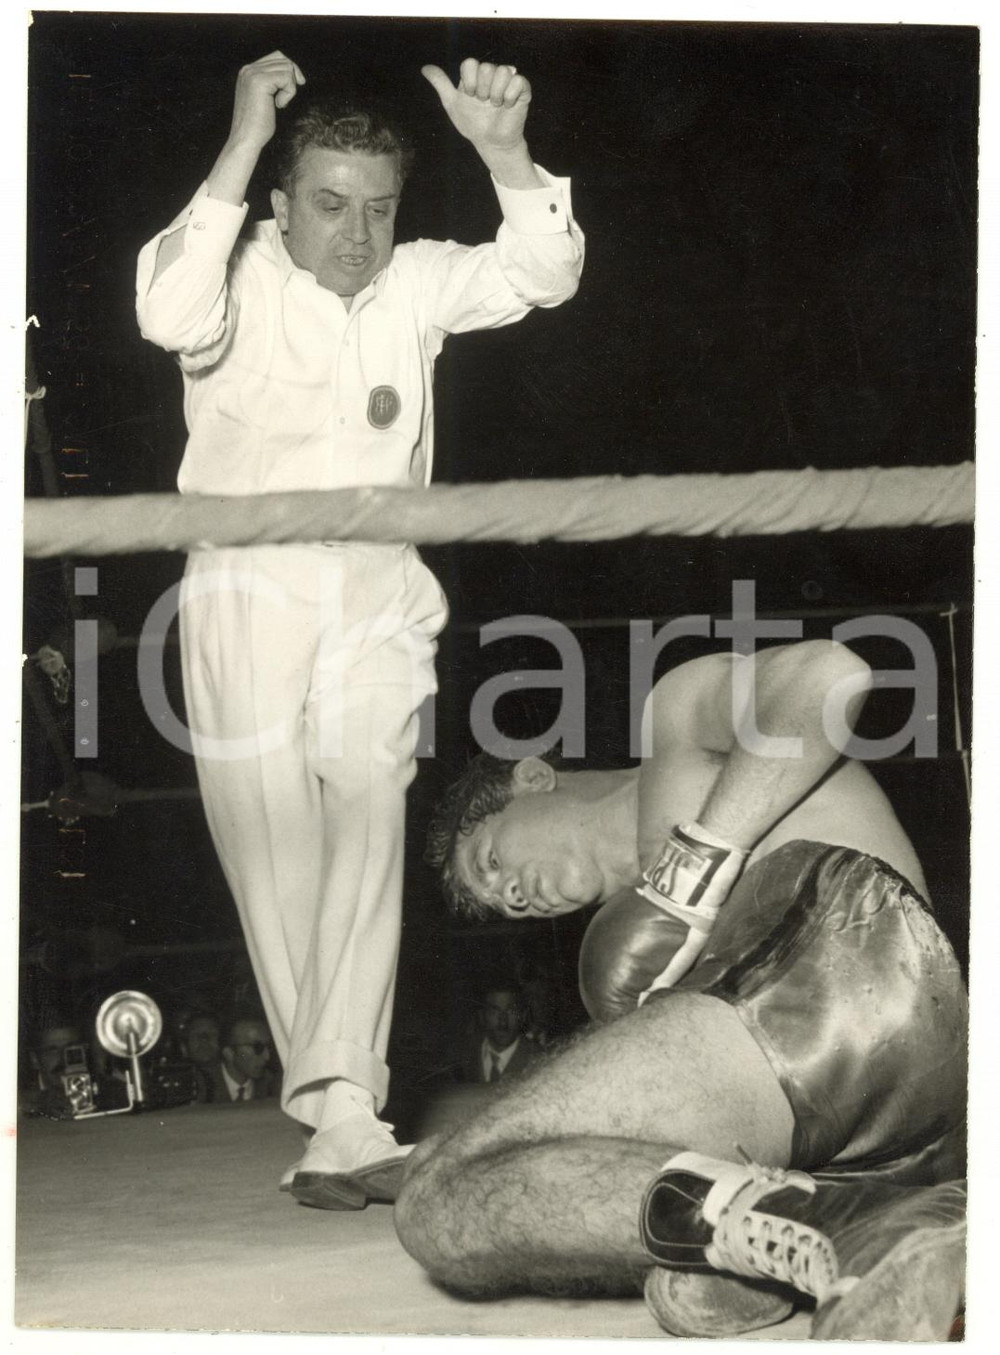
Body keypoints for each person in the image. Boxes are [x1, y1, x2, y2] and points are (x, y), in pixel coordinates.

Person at [135, 50, 583, 1208]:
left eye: (377, 208)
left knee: (372, 807)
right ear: (282, 204)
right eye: (330, 205)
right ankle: (340, 1119)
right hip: (244, 590)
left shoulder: (416, 281)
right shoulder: (228, 272)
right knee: (276, 852)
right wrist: (243, 139)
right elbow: (163, 310)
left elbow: (543, 271)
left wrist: (503, 153)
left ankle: (344, 1107)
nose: (356, 234)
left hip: (379, 591)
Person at [396, 639, 968, 1339]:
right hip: (878, 1128)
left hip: (858, 958)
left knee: (438, 1188)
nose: (513, 894)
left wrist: (690, 870)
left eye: (491, 859)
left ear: (534, 776)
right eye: (502, 904)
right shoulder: (622, 957)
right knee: (459, 1195)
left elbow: (828, 674)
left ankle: (834, 1225)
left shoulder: (672, 719)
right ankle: (848, 1223)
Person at [461, 984, 539, 1084]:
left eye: (511, 1012)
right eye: (494, 1012)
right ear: (482, 1016)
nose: (503, 1023)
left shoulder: (539, 1059)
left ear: (523, 1016)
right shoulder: (463, 1055)